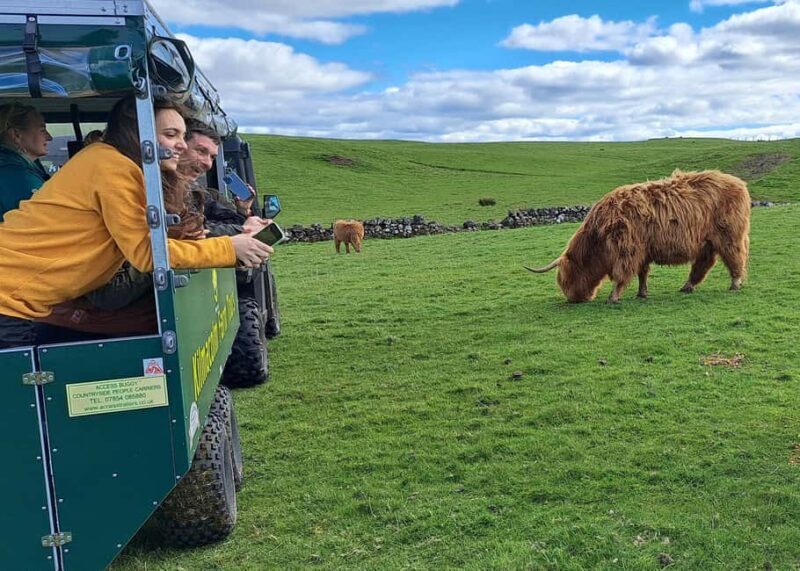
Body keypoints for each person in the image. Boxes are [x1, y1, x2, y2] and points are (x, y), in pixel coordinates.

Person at [0, 94, 272, 349]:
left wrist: (232, 234)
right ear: (138, 133)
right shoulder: (113, 168)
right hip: (9, 298)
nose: (181, 144)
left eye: (182, 135)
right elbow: (147, 253)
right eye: (170, 135)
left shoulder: (112, 162)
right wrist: (229, 248)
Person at [0, 102, 52, 221]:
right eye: (42, 130)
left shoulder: (20, 167)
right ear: (16, 135)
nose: (49, 137)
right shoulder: (14, 174)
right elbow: (44, 219)